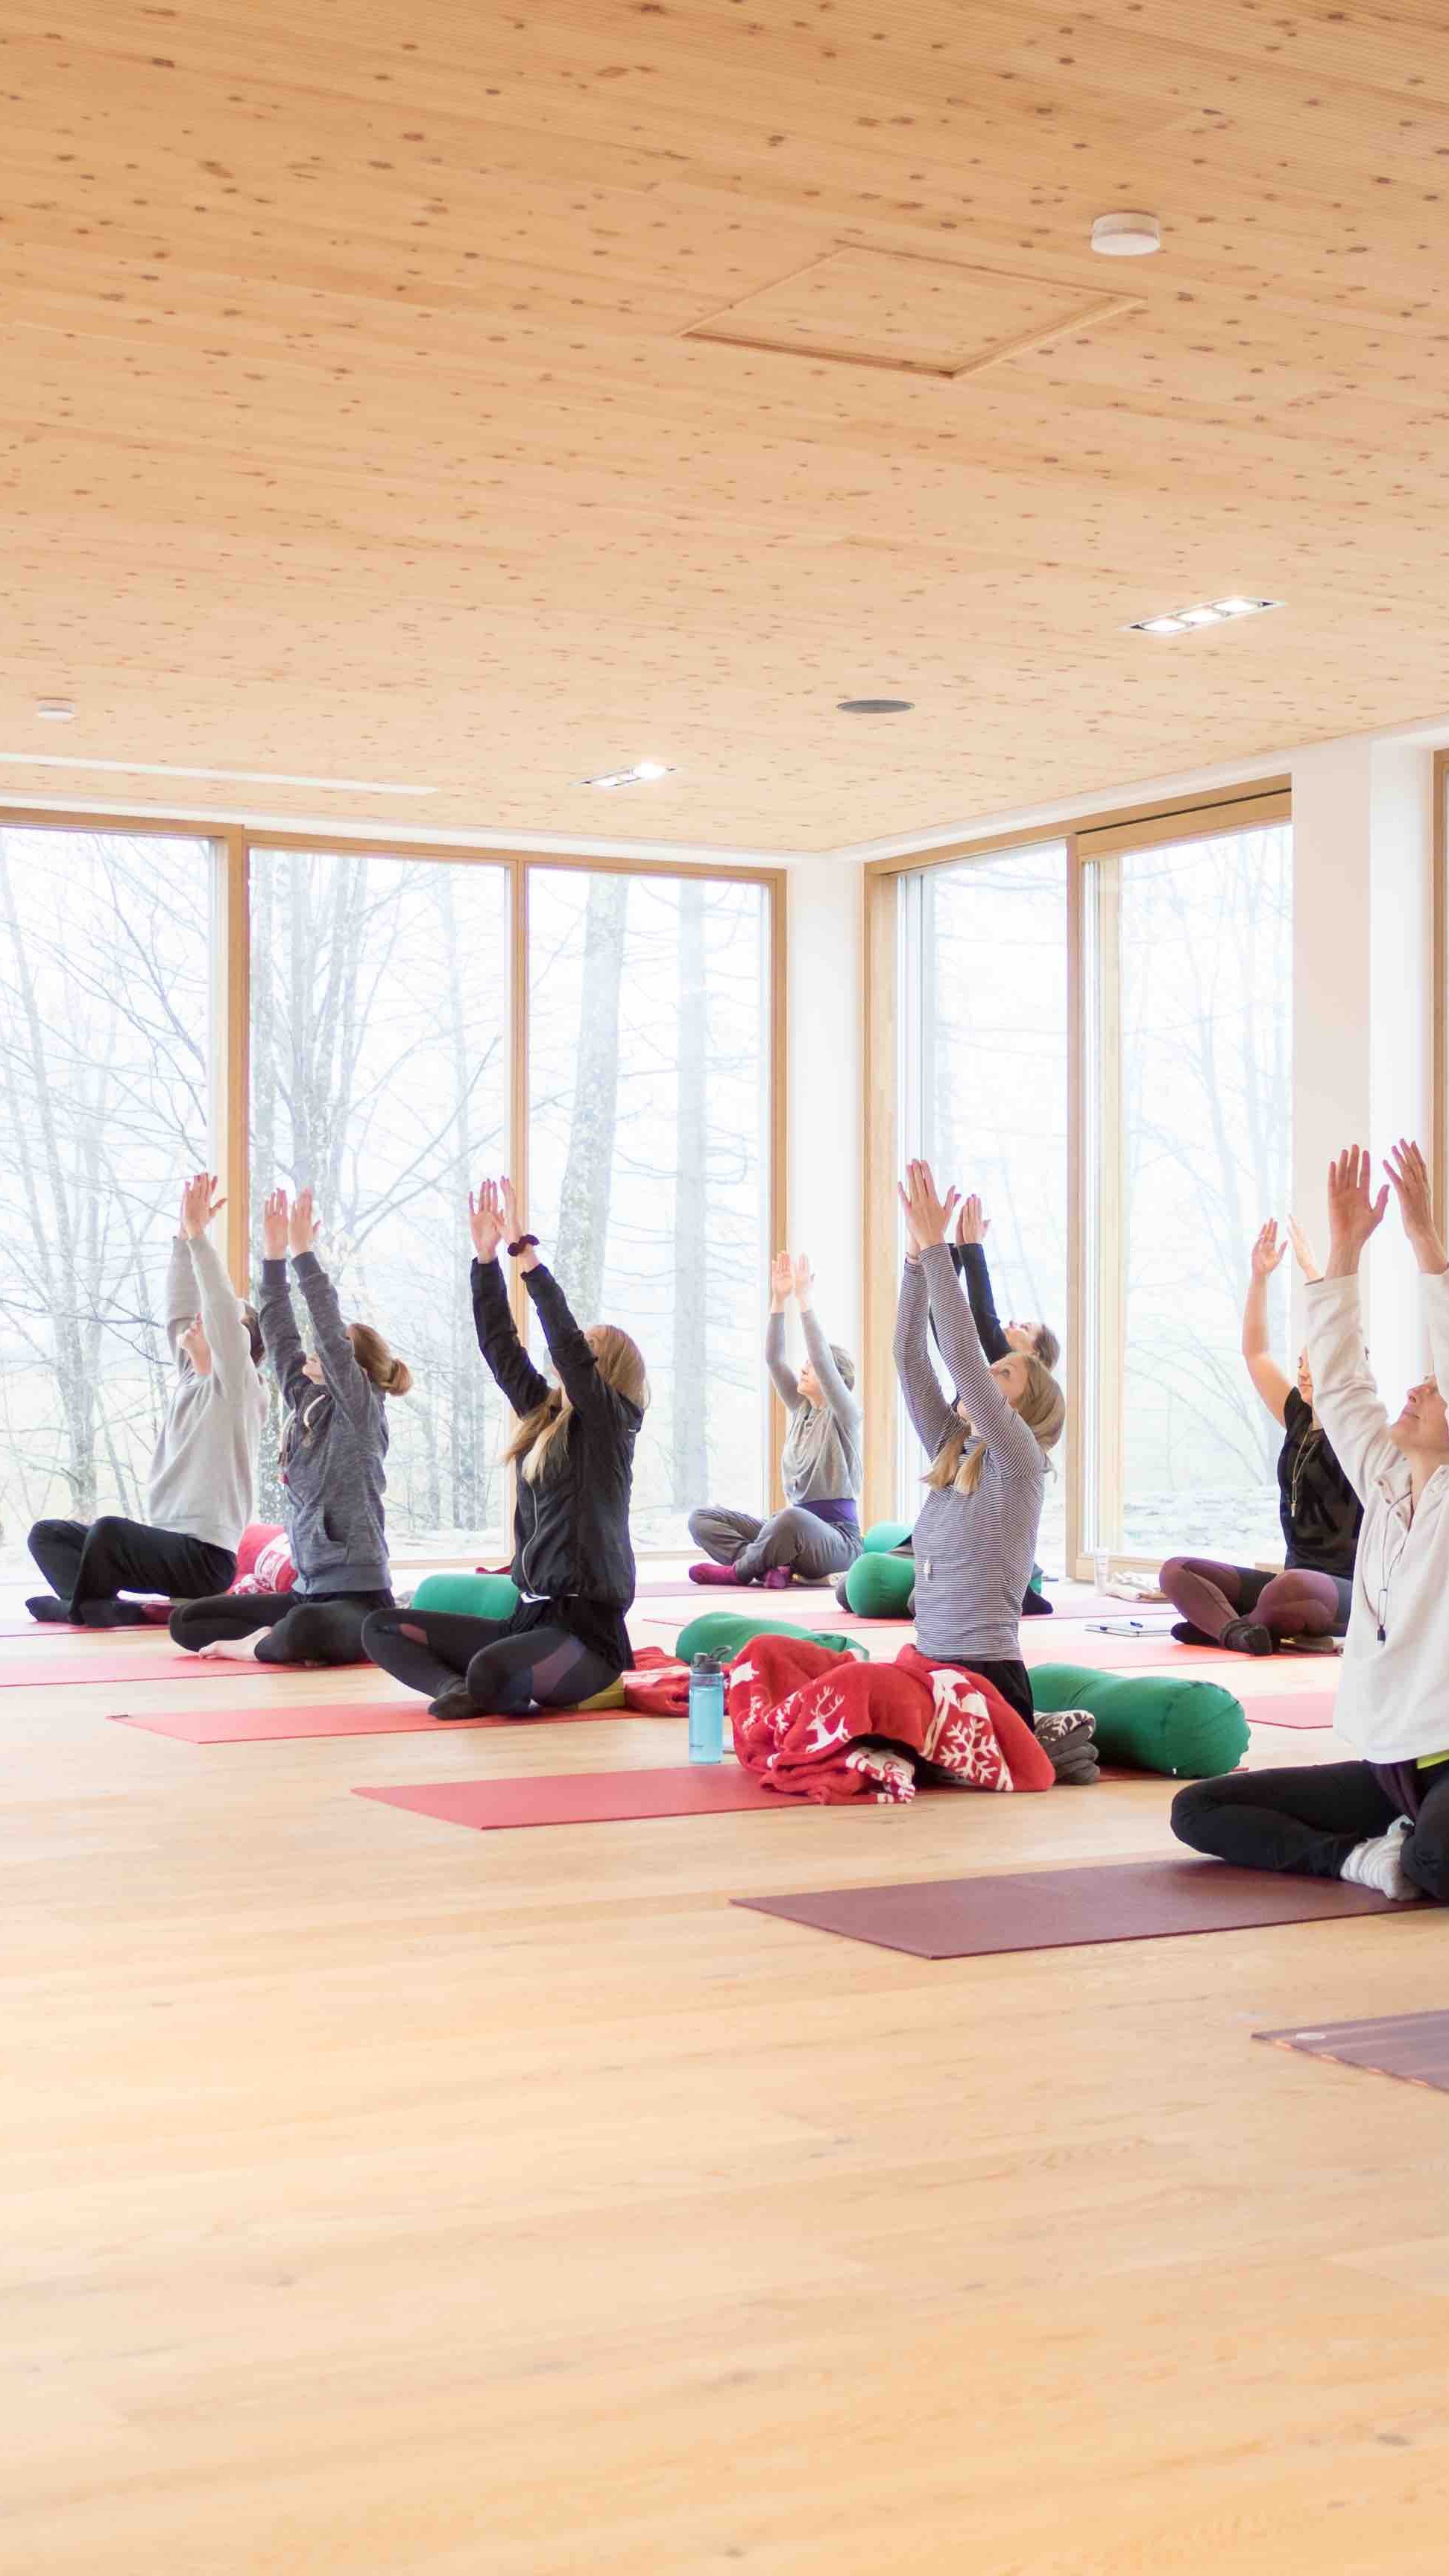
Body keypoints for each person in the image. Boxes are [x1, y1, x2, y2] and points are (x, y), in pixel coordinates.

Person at [1172, 1141, 1449, 1903]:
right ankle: (1359, 1859)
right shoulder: (1386, 1479)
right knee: (1198, 1810)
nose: (1417, 1389)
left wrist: (1426, 1244)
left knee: (1438, 1865)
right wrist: (1346, 1252)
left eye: (1436, 1390)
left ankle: (1409, 1851)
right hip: (1390, 1766)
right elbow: (1342, 1383)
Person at [362, 1177, 647, 1718]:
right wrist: (485, 1260)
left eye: (587, 1348)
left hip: (585, 1636)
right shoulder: (543, 1415)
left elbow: (565, 1343)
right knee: (380, 1627)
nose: (570, 1350)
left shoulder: (611, 1427)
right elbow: (500, 1349)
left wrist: (525, 1252)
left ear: (604, 1370)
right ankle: (457, 1688)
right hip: (528, 1619)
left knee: (491, 1668)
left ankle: (484, 1685)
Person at [169, 1187, 409, 1664]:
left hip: (359, 1598)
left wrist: (304, 1255)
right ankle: (274, 1640)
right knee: (188, 1621)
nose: (319, 1351)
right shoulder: (307, 1402)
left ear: (356, 1369)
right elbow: (280, 1336)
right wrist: (273, 1258)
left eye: (337, 1349)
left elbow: (328, 1332)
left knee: (304, 1628)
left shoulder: (362, 1410)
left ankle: (260, 1647)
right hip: (307, 1589)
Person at [26, 1173, 266, 1626]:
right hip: (162, 1547)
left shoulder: (238, 1388)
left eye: (216, 1320)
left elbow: (218, 1305)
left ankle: (81, 1610)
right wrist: (183, 1238)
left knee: (108, 1533)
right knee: (48, 1535)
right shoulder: (191, 1378)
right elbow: (179, 1308)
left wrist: (201, 1239)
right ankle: (97, 1608)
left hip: (204, 1559)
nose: (200, 1319)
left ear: (234, 1340)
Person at [894, 1160, 1065, 1734]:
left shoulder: (1019, 1461)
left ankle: (1041, 1741)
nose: (990, 1373)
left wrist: (938, 1249)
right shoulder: (953, 1449)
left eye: (1005, 1374)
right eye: (995, 1368)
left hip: (985, 1679)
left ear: (1023, 1409)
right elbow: (909, 1359)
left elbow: (964, 1359)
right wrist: (915, 1261)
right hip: (930, 1669)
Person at [1159, 1214, 1361, 1655]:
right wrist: (1259, 1278)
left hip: (1342, 1591)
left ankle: (1227, 1626)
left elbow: (1341, 1333)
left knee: (1289, 1589)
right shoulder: (1298, 1417)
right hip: (1287, 1583)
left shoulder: (1359, 1428)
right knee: (1177, 1571)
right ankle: (1241, 1632)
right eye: (1302, 1362)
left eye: (1317, 1362)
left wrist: (1315, 1273)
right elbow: (1256, 1353)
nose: (1304, 1371)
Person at [687, 1252, 862, 1588]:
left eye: (811, 1366)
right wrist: (779, 1300)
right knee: (702, 1519)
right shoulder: (801, 1409)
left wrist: (804, 1299)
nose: (804, 1368)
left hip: (838, 1541)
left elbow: (823, 1360)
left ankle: (739, 1572)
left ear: (833, 1379)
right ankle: (767, 1566)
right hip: (791, 1531)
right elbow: (774, 1359)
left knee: (789, 1518)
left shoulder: (845, 1415)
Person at [950, 1194, 1061, 1374]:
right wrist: (960, 1252)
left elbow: (984, 1318)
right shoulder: (996, 1373)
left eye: (1025, 1328)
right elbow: (939, 1318)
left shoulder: (1008, 1375)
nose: (1013, 1322)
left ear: (1034, 1356)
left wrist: (971, 1249)